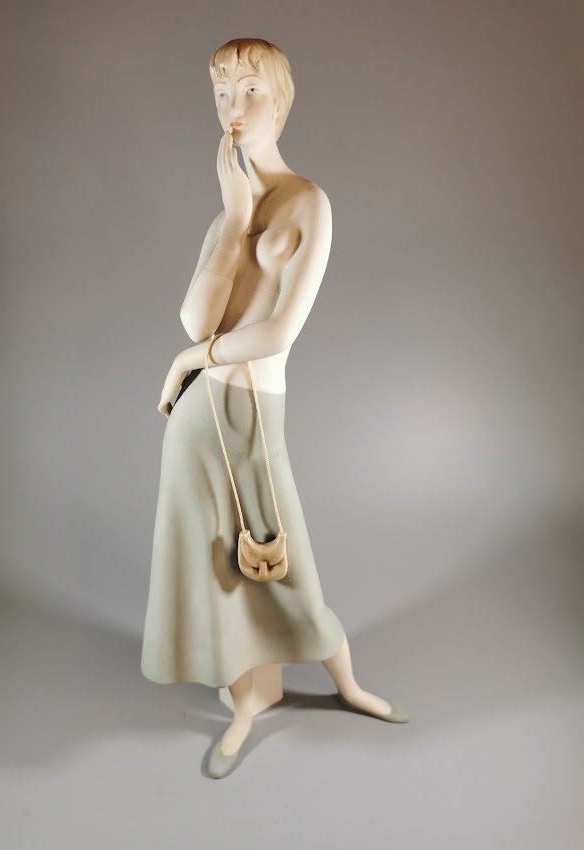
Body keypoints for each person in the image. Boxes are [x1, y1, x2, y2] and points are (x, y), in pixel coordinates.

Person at [140, 37, 408, 779]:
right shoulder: (227, 215)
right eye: (222, 93)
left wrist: (187, 362)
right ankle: (246, 704)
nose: (235, 106)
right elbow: (196, 318)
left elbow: (277, 332)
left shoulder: (309, 203)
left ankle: (347, 684)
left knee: (288, 565)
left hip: (254, 416)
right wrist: (234, 220)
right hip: (197, 425)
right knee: (219, 575)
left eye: (251, 90)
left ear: (281, 100)